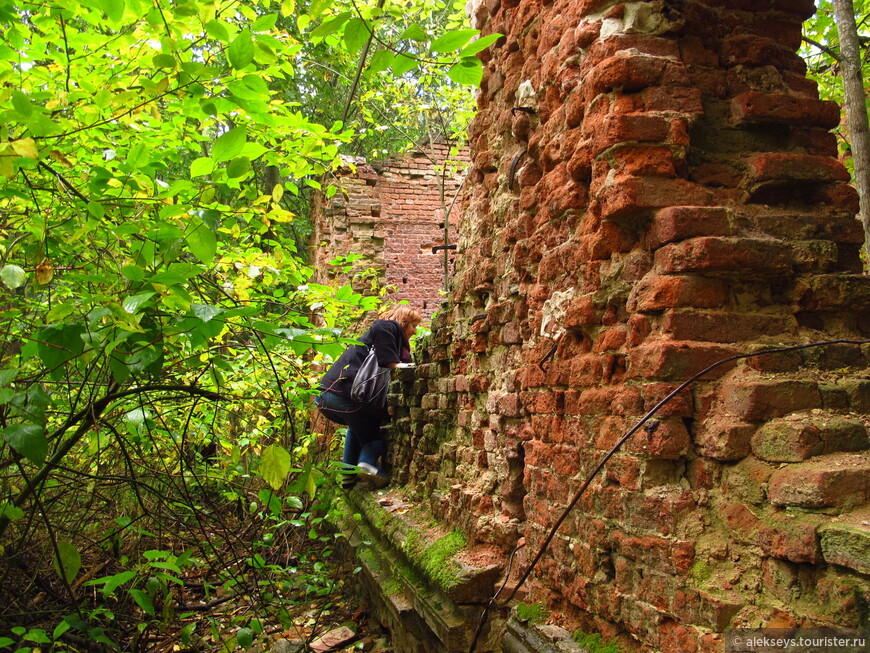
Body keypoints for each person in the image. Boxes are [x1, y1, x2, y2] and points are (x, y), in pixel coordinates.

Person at [316, 306, 422, 489]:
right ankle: (367, 464)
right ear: (403, 322)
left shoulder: (386, 340)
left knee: (356, 427)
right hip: (344, 396)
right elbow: (381, 327)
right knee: (373, 438)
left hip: (325, 396)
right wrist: (394, 364)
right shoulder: (388, 326)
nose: (414, 331)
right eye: (413, 325)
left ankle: (348, 477)